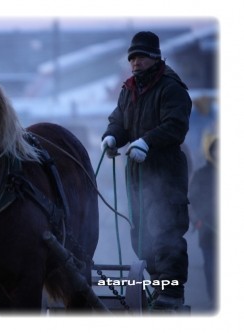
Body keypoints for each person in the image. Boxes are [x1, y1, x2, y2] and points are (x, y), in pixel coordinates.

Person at [101, 31, 192, 311]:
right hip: (138, 175)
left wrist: (146, 142)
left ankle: (171, 294)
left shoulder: (171, 87)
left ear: (154, 58)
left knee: (165, 230)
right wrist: (112, 136)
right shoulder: (129, 89)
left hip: (164, 172)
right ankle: (157, 287)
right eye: (132, 58)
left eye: (139, 57)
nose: (135, 62)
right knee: (141, 236)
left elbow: (176, 125)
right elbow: (120, 120)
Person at [188, 134, 218, 309]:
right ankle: (214, 297)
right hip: (207, 228)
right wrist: (196, 218)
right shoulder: (201, 174)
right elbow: (192, 198)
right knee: (211, 266)